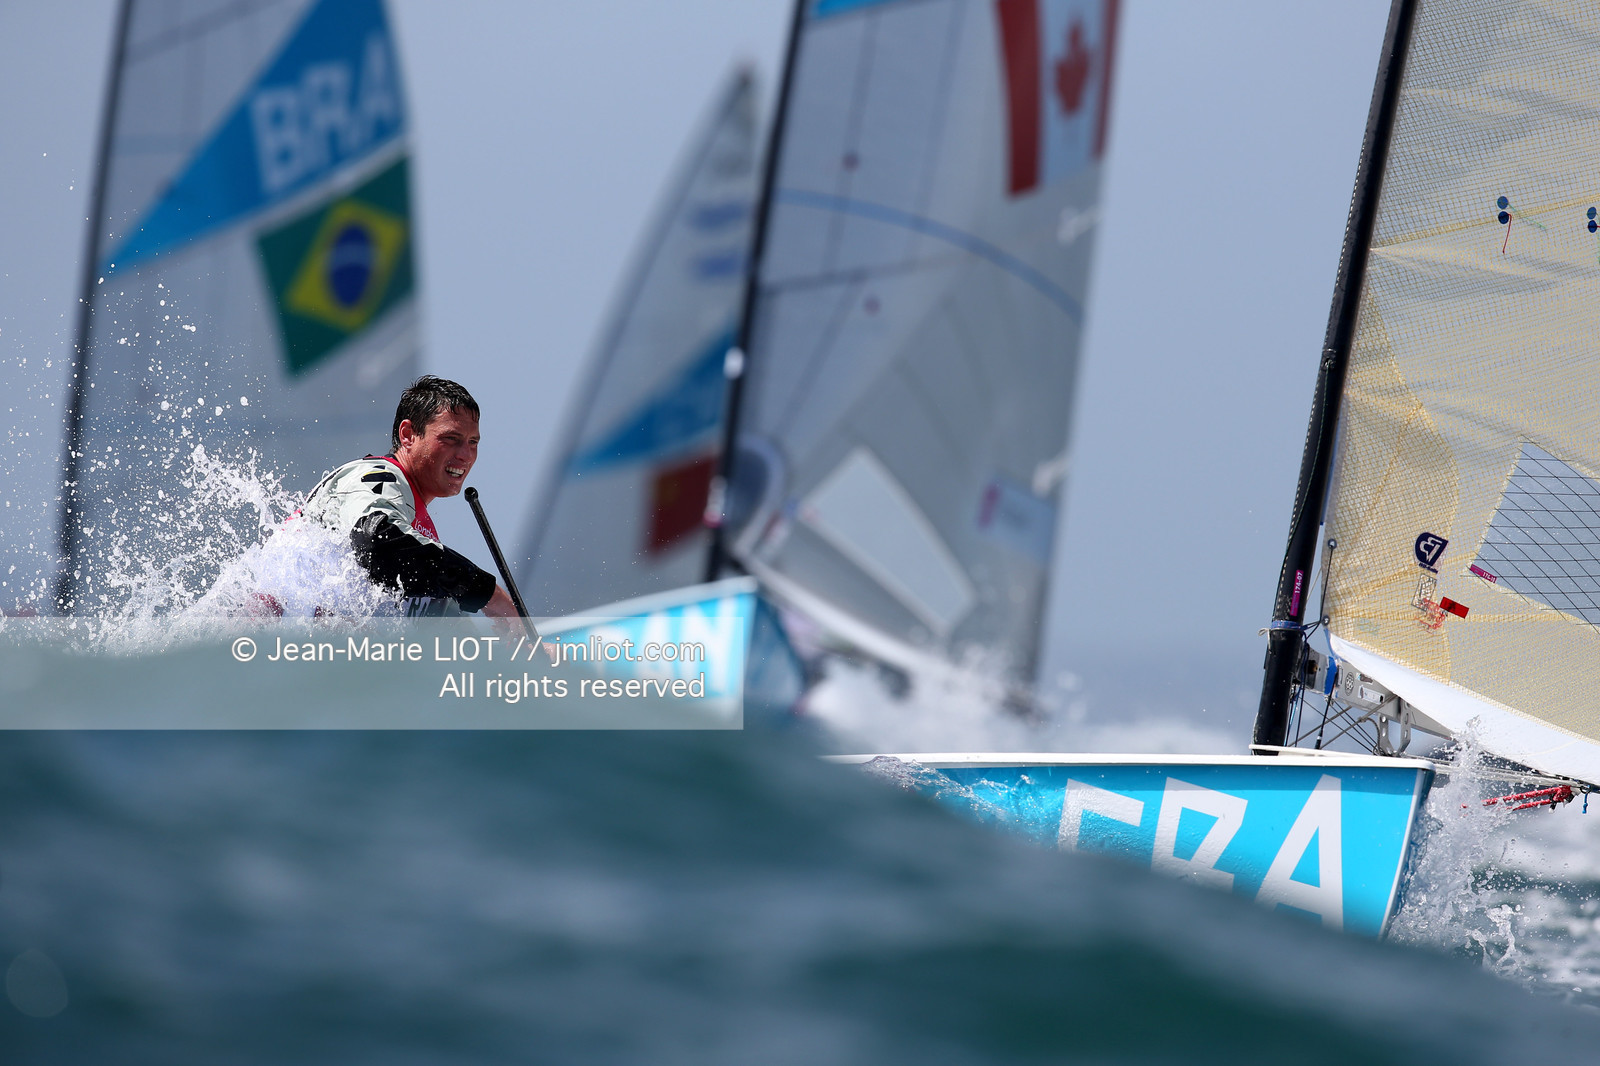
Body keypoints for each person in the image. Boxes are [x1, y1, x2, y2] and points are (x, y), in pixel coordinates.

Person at [300, 375, 520, 621]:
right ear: (408, 434)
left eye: (473, 442)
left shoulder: (420, 538)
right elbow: (374, 541)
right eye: (451, 439)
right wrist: (488, 593)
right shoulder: (374, 475)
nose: (465, 455)